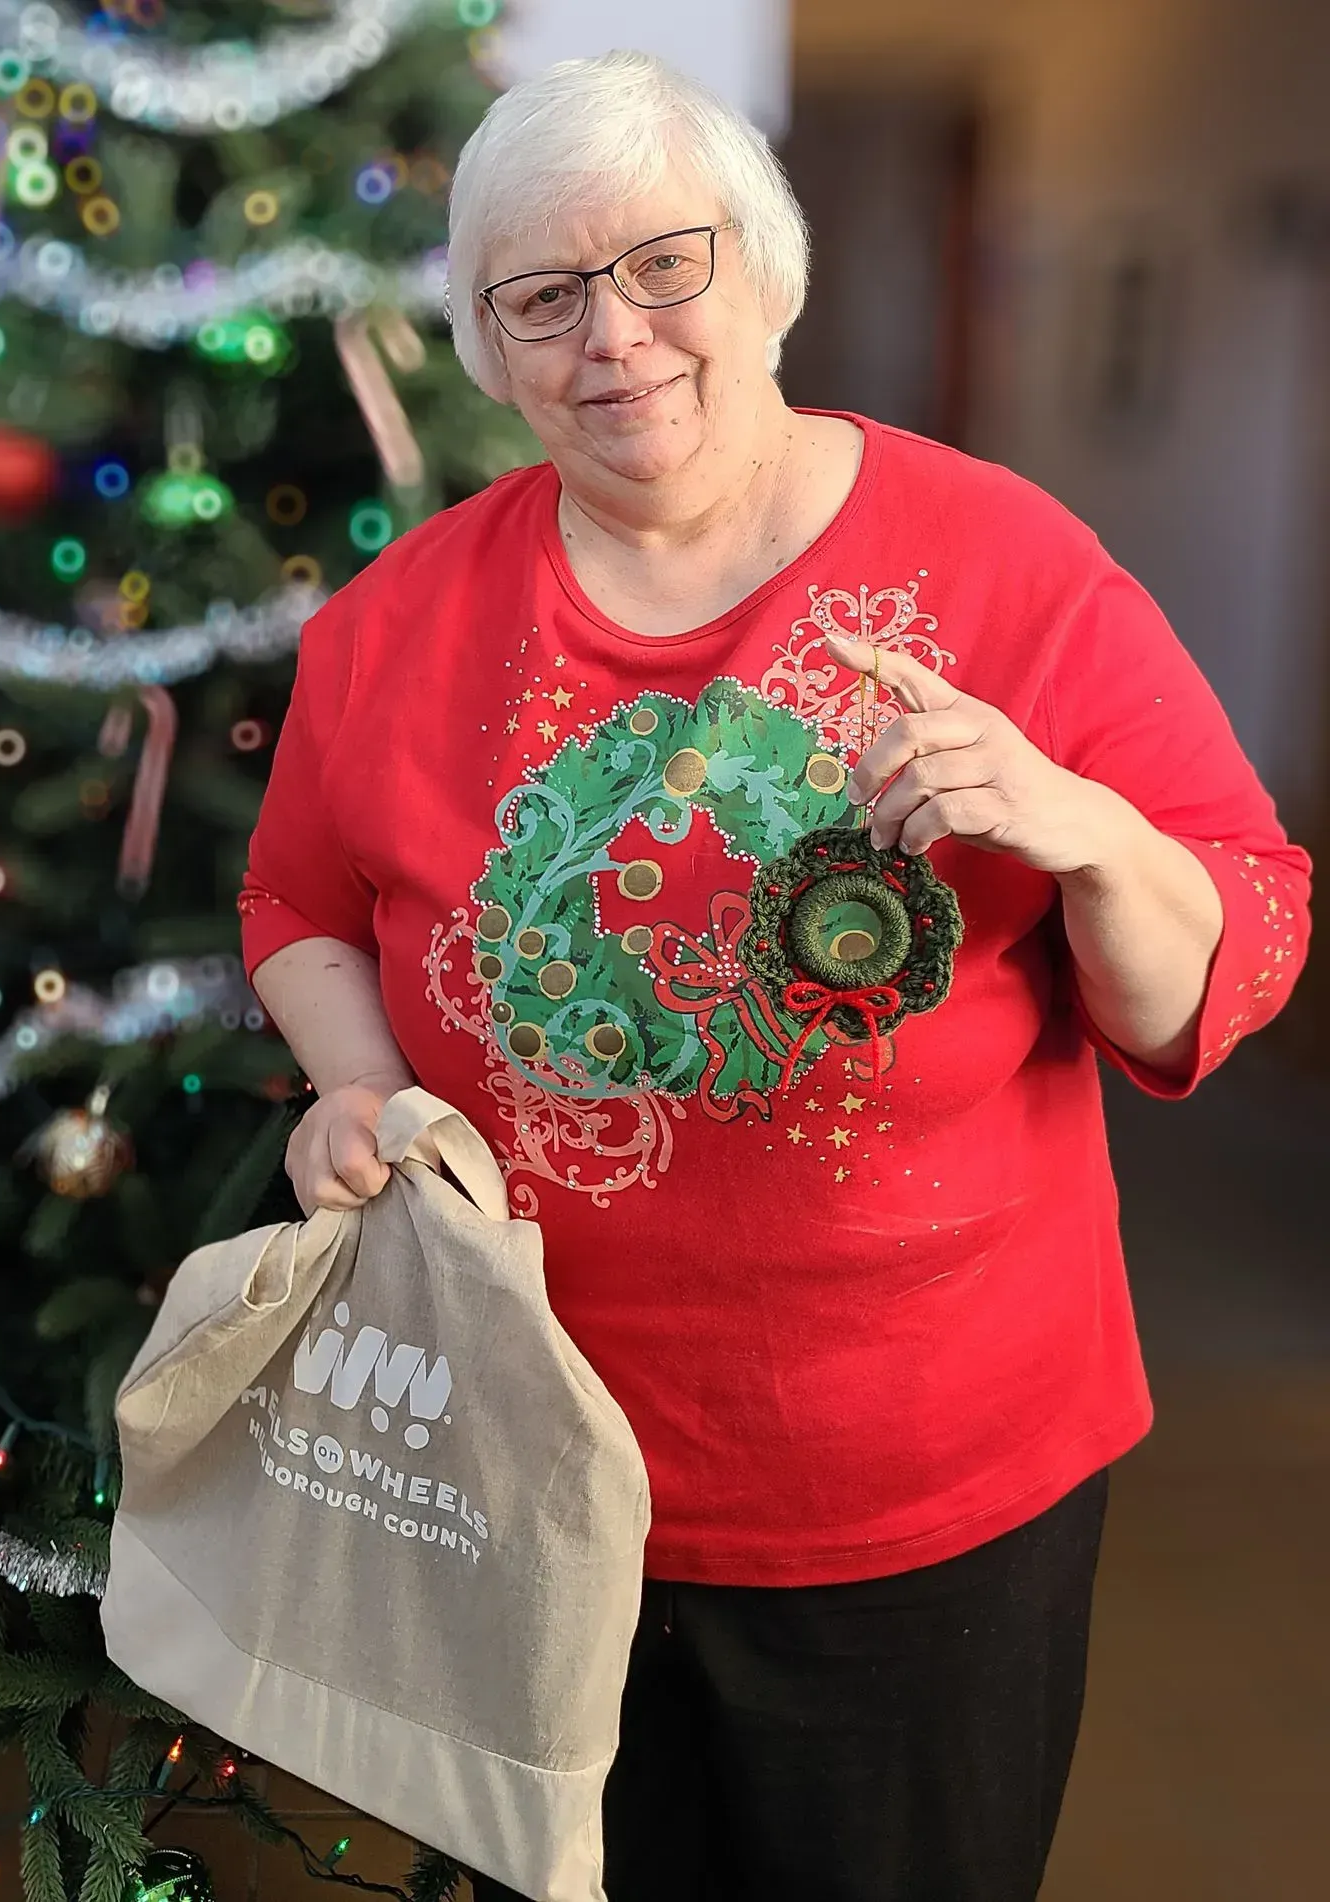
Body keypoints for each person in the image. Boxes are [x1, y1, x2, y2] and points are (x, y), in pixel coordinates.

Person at [237, 47, 1313, 1902]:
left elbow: (1222, 957)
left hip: (921, 1505)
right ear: (491, 352)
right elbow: (293, 902)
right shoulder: (392, 624)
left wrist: (1086, 829)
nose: (616, 336)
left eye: (667, 263)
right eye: (544, 298)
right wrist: (355, 1081)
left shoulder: (1009, 566)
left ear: (765, 271)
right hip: (524, 1475)